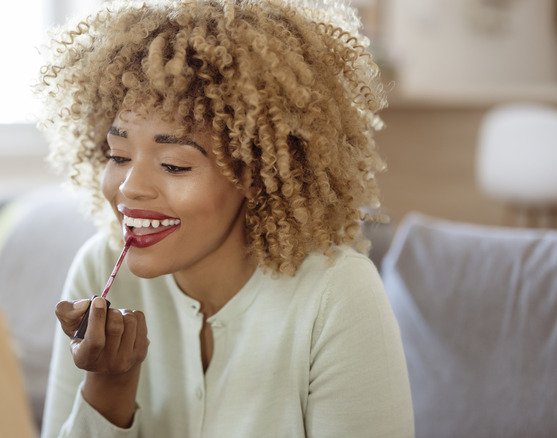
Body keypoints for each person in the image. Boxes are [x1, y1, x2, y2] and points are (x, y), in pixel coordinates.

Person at [36, 0, 414, 437]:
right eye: (118, 156)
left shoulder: (336, 296)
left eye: (175, 164)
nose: (129, 188)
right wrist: (109, 386)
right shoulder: (99, 270)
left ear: (258, 173)